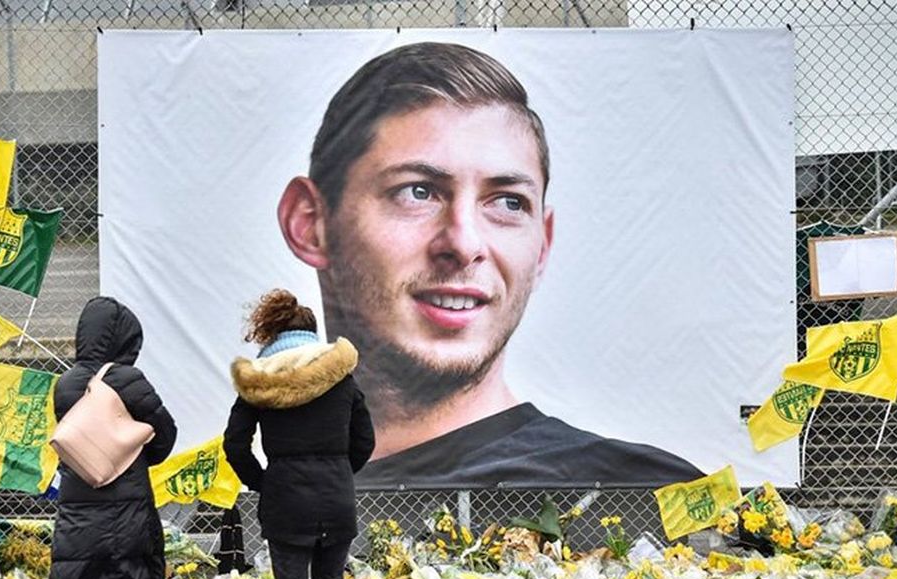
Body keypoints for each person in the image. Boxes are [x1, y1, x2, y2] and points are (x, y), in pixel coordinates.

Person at [276, 41, 702, 489]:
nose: (464, 244)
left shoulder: (645, 499)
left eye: (507, 202)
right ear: (310, 225)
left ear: (542, 247)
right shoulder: (241, 497)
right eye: (417, 192)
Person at [223, 289, 375, 579]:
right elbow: (365, 441)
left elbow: (235, 444)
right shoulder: (342, 380)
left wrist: (262, 481)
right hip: (336, 498)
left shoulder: (262, 384)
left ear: (272, 335)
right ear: (313, 335)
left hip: (285, 501)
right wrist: (340, 471)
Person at [44, 297, 178, 579]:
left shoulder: (66, 384)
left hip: (76, 502)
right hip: (126, 505)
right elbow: (165, 432)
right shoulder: (126, 380)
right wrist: (131, 458)